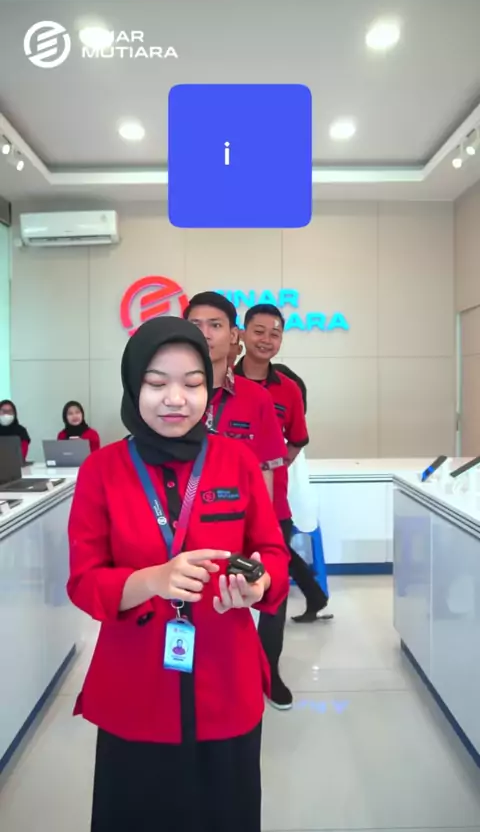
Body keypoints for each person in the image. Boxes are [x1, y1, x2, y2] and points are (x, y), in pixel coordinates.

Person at [67, 316, 289, 832]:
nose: (175, 399)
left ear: (208, 388)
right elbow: (84, 582)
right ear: (133, 387)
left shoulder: (237, 460)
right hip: (135, 686)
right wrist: (151, 580)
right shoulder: (102, 470)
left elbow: (273, 553)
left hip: (225, 680)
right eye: (156, 383)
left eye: (192, 384)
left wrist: (259, 582)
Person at [235, 304, 328, 709]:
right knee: (217, 591)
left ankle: (269, 672)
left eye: (275, 333)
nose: (266, 339)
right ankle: (223, 670)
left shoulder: (288, 389)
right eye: (259, 331)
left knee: (272, 596)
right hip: (220, 509)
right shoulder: (218, 383)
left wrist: (275, 465)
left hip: (273, 508)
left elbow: (298, 439)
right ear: (242, 334)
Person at [183, 291, 286, 502]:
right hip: (178, 514)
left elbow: (266, 470)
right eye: (196, 325)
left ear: (233, 335)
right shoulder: (170, 397)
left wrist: (263, 521)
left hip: (237, 515)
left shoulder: (257, 398)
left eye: (215, 325)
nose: (205, 334)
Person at [272, 363, 332, 623]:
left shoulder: (287, 439)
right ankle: (315, 596)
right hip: (283, 502)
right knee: (281, 552)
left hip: (284, 503)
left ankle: (314, 596)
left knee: (279, 552)